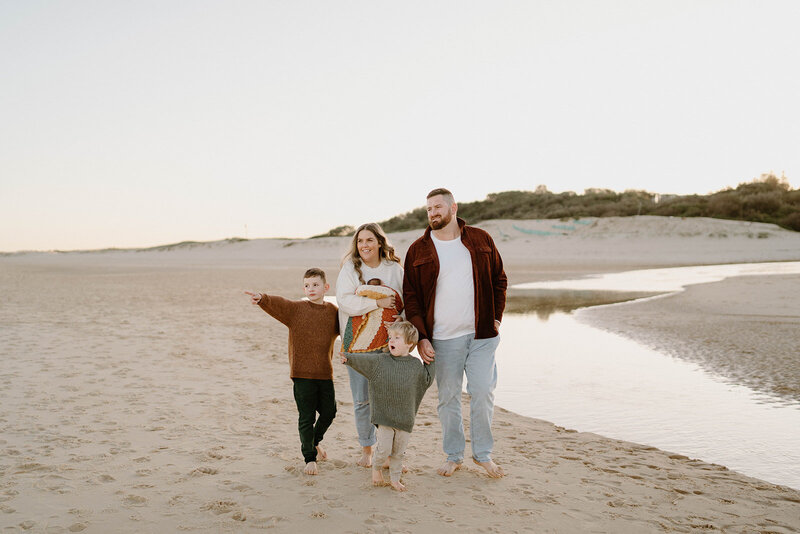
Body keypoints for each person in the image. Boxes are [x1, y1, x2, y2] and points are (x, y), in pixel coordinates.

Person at [402, 188, 508, 478]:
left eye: (438, 207)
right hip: (442, 340)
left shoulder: (480, 239)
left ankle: (483, 455)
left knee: (483, 392)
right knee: (448, 398)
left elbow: (500, 279)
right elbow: (410, 296)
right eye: (429, 209)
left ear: (453, 208)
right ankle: (454, 455)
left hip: (482, 335)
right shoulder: (418, 249)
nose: (433, 213)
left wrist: (496, 319)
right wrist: (422, 337)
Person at [244, 268, 339, 476]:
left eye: (315, 285)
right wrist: (262, 298)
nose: (311, 289)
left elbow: (351, 327)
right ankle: (309, 458)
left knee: (330, 412)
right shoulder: (296, 309)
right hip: (302, 374)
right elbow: (280, 303)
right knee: (306, 417)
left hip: (325, 373)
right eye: (307, 285)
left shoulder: (333, 311)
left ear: (326, 287)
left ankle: (314, 442)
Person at [336, 223, 404, 467]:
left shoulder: (394, 269)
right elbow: (344, 301)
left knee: (386, 400)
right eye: (360, 241)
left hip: (388, 345)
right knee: (362, 400)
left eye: (369, 240)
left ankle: (388, 453)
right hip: (355, 346)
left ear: (379, 243)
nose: (364, 245)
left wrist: (401, 317)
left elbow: (403, 301)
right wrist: (377, 304)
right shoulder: (350, 270)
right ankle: (367, 449)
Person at [340, 321, 434, 491]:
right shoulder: (381, 361)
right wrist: (349, 358)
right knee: (383, 449)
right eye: (390, 337)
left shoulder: (415, 366)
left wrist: (432, 359)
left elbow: (426, 379)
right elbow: (364, 362)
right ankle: (376, 469)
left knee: (399, 452)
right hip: (384, 417)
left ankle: (395, 479)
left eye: (397, 338)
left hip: (404, 419)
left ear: (409, 344)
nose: (391, 341)